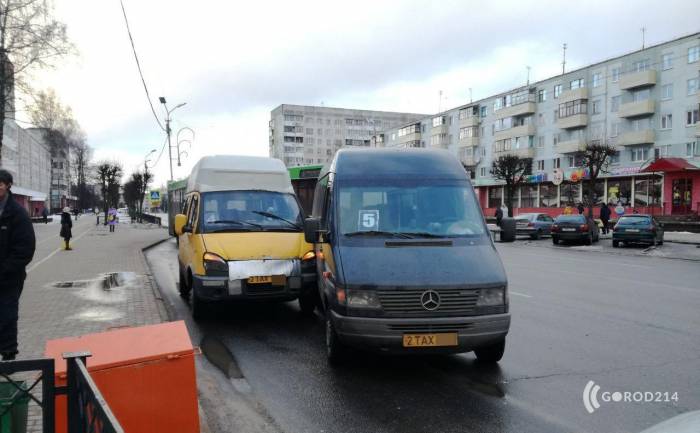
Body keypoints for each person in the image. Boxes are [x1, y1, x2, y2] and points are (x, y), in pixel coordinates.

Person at [0, 169, 36, 361]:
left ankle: (8, 356)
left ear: (8, 186)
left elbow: (25, 248)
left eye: (0, 184)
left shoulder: (17, 213)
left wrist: (6, 269)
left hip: (9, 277)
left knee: (7, 315)